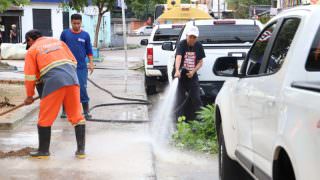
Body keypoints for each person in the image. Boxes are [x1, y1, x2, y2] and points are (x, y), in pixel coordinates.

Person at [23, 29, 86, 159]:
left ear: (30, 40)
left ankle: (43, 152)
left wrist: (29, 96)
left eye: (27, 43)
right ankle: (81, 152)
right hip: (72, 79)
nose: (28, 46)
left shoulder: (32, 50)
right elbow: (73, 61)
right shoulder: (59, 42)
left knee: (45, 117)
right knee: (76, 115)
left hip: (54, 82)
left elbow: (30, 77)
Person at [60, 14, 94, 119]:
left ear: (81, 23)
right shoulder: (65, 34)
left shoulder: (85, 35)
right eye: (74, 23)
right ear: (71, 23)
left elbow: (89, 50)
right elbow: (60, 48)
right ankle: (65, 110)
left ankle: (86, 111)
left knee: (82, 88)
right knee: (66, 88)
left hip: (81, 67)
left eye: (78, 23)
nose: (76, 25)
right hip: (67, 66)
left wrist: (91, 63)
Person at [174, 26, 205, 121]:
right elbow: (178, 57)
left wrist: (193, 71)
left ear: (197, 38)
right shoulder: (182, 44)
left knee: (196, 97)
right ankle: (178, 121)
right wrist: (177, 70)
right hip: (180, 75)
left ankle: (201, 120)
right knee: (180, 98)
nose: (192, 39)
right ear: (187, 35)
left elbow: (200, 62)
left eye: (194, 37)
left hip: (192, 74)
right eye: (190, 36)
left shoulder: (198, 46)